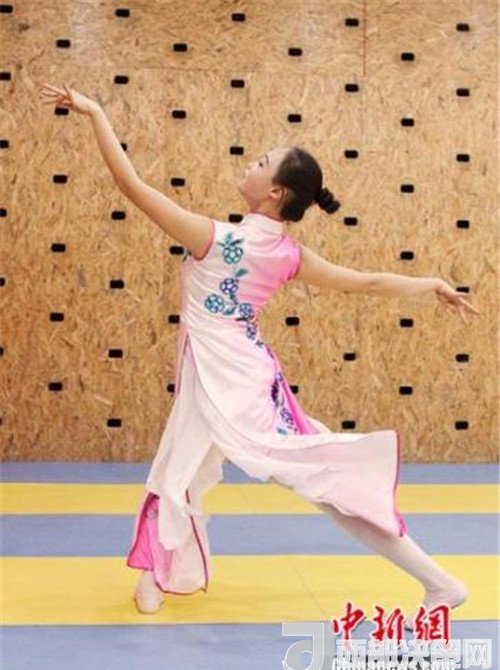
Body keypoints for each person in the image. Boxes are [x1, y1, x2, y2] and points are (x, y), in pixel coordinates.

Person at [41, 84, 480, 624]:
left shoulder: (215, 238)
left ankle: (440, 581)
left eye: (262, 162)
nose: (251, 163)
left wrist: (95, 112)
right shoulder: (287, 253)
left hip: (223, 378)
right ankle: (153, 576)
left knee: (216, 471)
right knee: (244, 472)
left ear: (274, 192)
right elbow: (364, 281)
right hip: (245, 376)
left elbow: (131, 184)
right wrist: (430, 283)